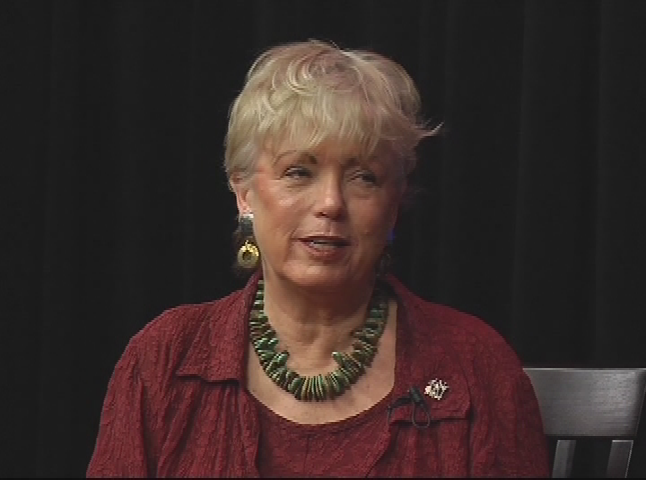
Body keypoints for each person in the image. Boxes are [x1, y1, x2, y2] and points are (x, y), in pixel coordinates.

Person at [87, 39, 549, 477]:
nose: (331, 203)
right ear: (244, 192)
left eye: (363, 176)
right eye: (298, 172)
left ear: (395, 200)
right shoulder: (164, 359)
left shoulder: (476, 367)